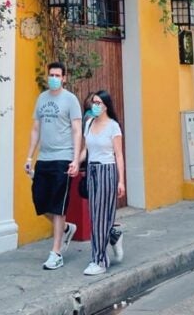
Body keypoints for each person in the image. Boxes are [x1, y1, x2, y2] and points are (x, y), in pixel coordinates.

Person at [25, 61, 82, 270]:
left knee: (58, 206)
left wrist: (75, 159)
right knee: (39, 201)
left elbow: (77, 130)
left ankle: (56, 252)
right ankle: (66, 229)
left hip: (63, 158)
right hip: (44, 158)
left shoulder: (70, 100)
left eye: (58, 75)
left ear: (64, 78)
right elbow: (35, 129)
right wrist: (29, 157)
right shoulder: (42, 98)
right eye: (51, 75)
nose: (54, 78)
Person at [79, 89, 125, 276]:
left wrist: (121, 181)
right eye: (93, 102)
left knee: (101, 216)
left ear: (106, 106)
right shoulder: (88, 123)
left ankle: (99, 260)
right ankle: (114, 235)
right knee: (95, 214)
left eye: (98, 103)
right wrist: (75, 162)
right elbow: (85, 150)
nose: (95, 106)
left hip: (107, 170)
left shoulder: (113, 126)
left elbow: (119, 155)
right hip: (92, 170)